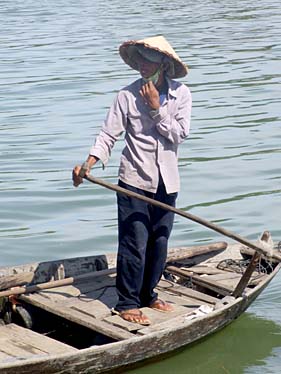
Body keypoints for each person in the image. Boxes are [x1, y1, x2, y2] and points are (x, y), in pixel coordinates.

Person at [72, 36, 192, 325]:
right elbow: (108, 135)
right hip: (134, 180)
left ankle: (148, 294)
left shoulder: (182, 94)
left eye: (147, 59)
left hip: (167, 183)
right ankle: (126, 302)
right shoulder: (125, 96)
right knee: (133, 242)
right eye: (138, 58)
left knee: (159, 241)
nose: (141, 64)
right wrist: (88, 164)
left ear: (163, 64)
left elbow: (179, 135)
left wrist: (156, 108)